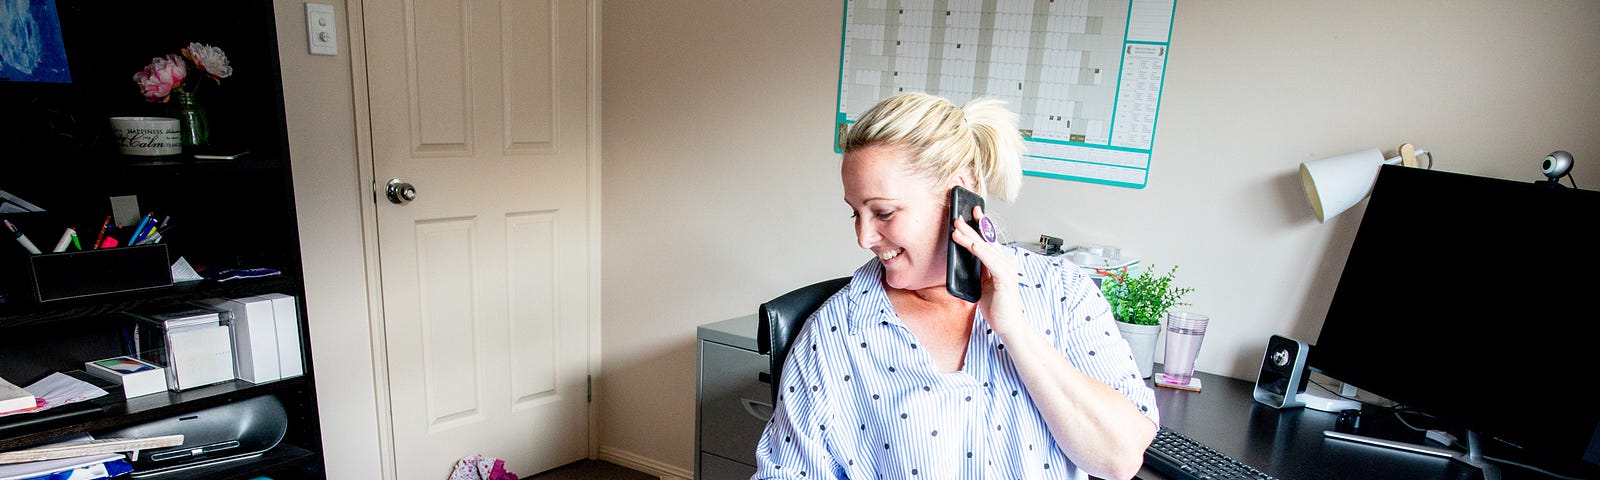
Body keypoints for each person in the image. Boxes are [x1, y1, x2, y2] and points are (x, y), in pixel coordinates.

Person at [752, 92, 1158, 480]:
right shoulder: (837, 333)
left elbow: (1120, 459)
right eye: (855, 214)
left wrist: (1014, 331)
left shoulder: (1062, 291)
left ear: (956, 193)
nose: (864, 237)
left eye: (884, 212)